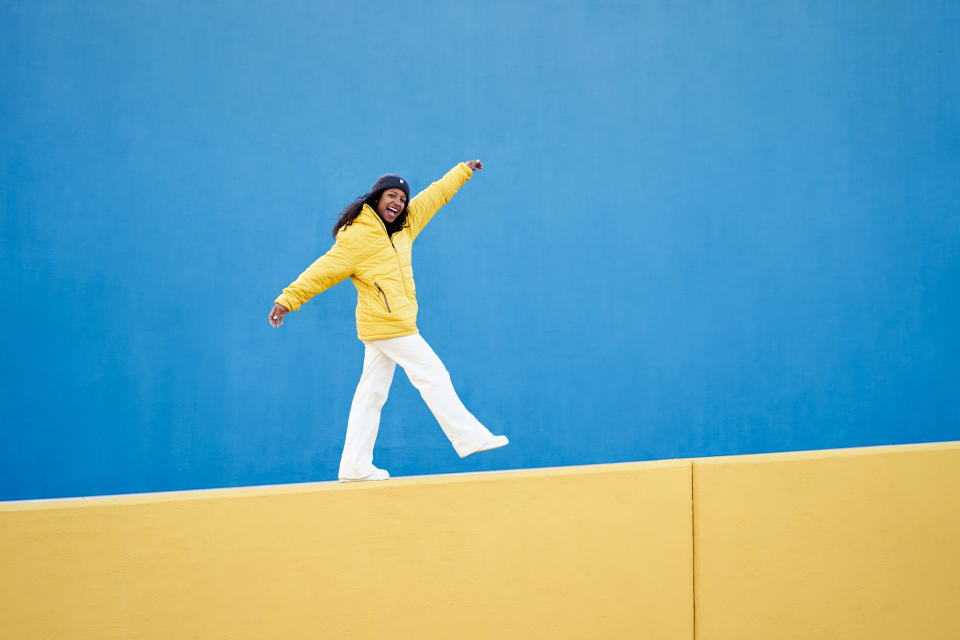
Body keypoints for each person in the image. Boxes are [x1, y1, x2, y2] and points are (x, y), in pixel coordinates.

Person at [268, 159, 508, 482]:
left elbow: (436, 195)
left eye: (402, 198)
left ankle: (354, 465)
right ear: (376, 198)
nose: (398, 202)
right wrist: (288, 299)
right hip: (389, 324)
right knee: (433, 374)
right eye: (391, 196)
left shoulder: (406, 226)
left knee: (371, 394)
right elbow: (322, 271)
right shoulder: (356, 237)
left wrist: (462, 171)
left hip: (383, 326)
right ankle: (469, 437)